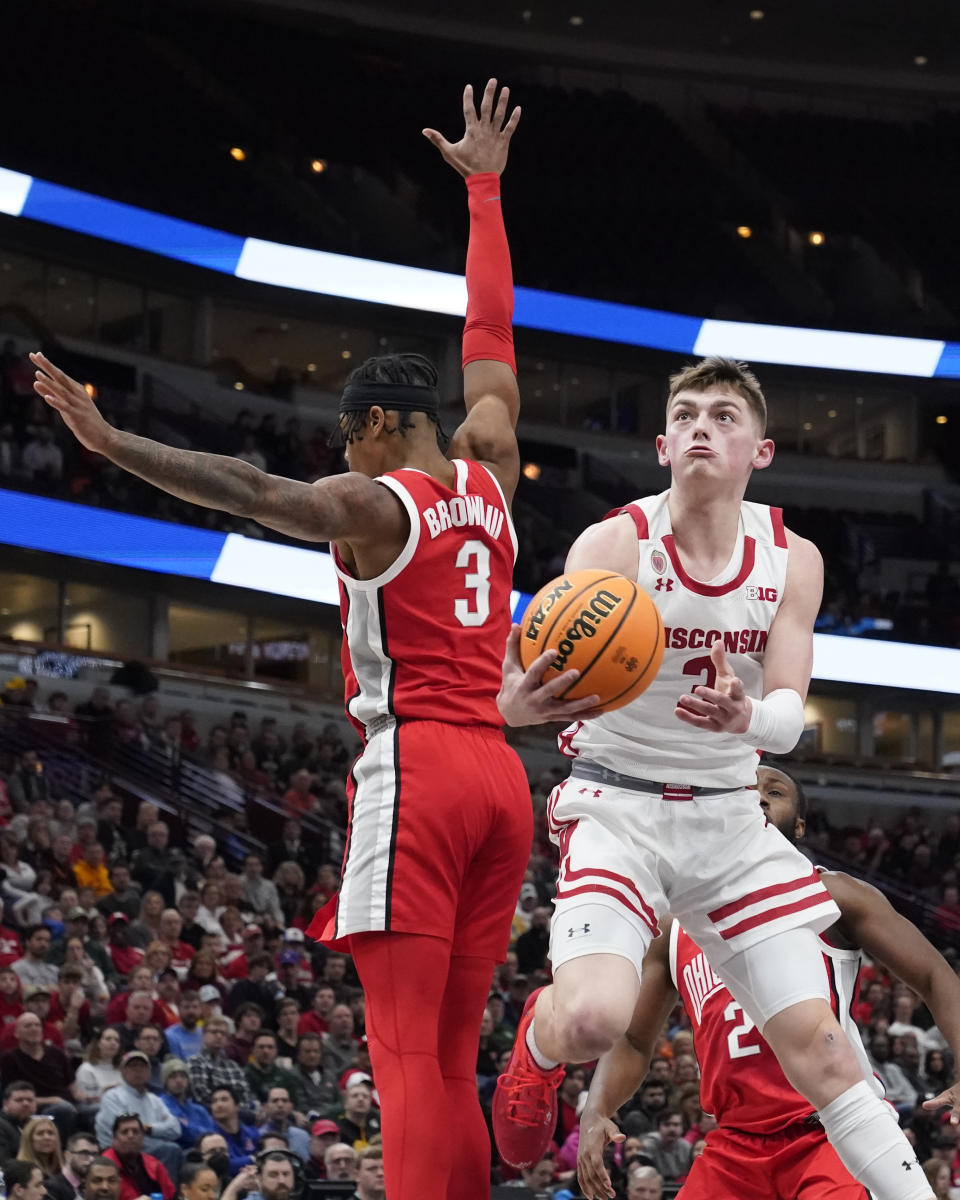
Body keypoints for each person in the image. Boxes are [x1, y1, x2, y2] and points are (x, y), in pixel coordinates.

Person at [33, 78, 528, 1200]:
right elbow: (489, 331)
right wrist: (485, 191)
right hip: (502, 776)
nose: (339, 453)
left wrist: (112, 444)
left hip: (421, 769)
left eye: (344, 436)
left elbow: (251, 489)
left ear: (370, 427)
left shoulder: (377, 502)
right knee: (453, 1066)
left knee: (404, 1069)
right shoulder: (492, 469)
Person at [494, 359, 933, 1199]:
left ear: (759, 450)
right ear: (663, 445)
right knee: (593, 1020)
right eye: (687, 415)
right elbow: (520, 687)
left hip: (732, 819)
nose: (703, 427)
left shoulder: (791, 558)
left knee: (829, 1053)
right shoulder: (614, 544)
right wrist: (517, 708)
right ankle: (538, 1044)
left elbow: (790, 716)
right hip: (618, 800)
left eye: (725, 416)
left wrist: (750, 721)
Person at [578, 765, 960, 1200]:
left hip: (830, 1131)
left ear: (799, 825)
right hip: (734, 1144)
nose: (757, 797)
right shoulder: (675, 926)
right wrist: (598, 1108)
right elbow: (632, 1039)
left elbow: (934, 975)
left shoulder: (833, 894)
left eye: (774, 792)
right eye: (745, 787)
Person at [94, 1051, 182, 1178]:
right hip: (120, 1152)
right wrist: (157, 1129)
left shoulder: (155, 1100)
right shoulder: (112, 1097)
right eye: (133, 1066)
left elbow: (175, 1128)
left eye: (142, 1066)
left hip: (151, 1148)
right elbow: (126, 1131)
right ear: (123, 1072)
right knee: (171, 1149)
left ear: (149, 1072)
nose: (138, 1070)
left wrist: (150, 1128)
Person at [187, 1017, 254, 1109]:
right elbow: (201, 1097)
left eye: (223, 1033)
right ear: (203, 1035)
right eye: (214, 1032)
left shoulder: (234, 1066)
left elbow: (245, 1096)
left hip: (239, 1115)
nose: (219, 1036)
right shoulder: (195, 1062)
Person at [103, 1113, 174, 1200]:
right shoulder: (103, 1166)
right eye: (125, 1132)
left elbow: (171, 1196)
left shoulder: (154, 1164)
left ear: (143, 1137)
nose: (131, 1136)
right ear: (114, 1138)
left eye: (135, 1131)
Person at [158, 1058, 215, 1149]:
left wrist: (190, 1128)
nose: (179, 1080)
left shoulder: (199, 1110)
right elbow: (180, 1130)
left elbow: (213, 1133)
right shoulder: (160, 1104)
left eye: (183, 1076)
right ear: (165, 1082)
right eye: (173, 1077)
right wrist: (202, 1132)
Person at [209, 1085, 258, 1172]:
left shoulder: (253, 1133)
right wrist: (251, 1159)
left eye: (224, 1099)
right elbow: (221, 1166)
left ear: (237, 1106)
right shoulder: (209, 1136)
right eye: (214, 1101)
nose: (218, 1105)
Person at [257, 1087, 309, 1160]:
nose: (280, 1105)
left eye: (284, 1101)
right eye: (275, 1101)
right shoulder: (258, 1136)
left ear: (291, 1106)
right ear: (267, 1106)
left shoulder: (302, 1136)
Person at [45, 1131, 98, 1200]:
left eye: (95, 1154)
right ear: (68, 1156)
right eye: (84, 1153)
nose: (91, 1159)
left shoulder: (92, 1186)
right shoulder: (51, 1187)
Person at [17, 1113, 64, 1178]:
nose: (47, 1137)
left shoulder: (62, 1170)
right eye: (40, 1133)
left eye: (50, 1133)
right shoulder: (20, 1171)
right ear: (29, 1140)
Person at [163, 990, 203, 1061]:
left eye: (195, 1007)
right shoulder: (169, 1035)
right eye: (186, 1007)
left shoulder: (205, 1034)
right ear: (178, 1009)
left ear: (200, 1009)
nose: (191, 1011)